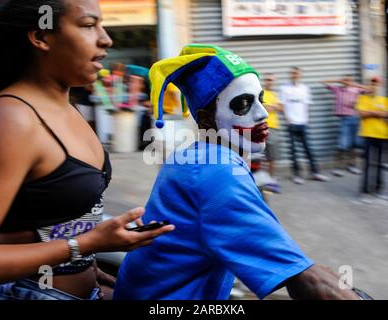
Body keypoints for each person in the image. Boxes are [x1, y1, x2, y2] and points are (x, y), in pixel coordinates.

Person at [114, 44, 370, 300]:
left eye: (261, 99)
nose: (263, 113)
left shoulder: (192, 155)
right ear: (205, 120)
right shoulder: (217, 173)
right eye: (243, 104)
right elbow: (307, 280)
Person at [0, 0, 174, 300]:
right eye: (88, 25)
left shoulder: (67, 106)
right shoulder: (12, 119)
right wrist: (88, 244)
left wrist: (92, 268)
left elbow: (55, 222)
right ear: (41, 36)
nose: (106, 38)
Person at [281, 67, 329, 185]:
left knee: (308, 149)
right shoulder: (284, 88)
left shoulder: (305, 89)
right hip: (291, 123)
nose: (295, 75)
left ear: (300, 75)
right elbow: (282, 105)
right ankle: (296, 175)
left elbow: (307, 105)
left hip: (303, 123)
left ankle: (315, 172)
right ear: (290, 75)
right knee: (294, 151)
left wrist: (307, 120)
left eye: (297, 73)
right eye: (292, 73)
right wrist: (288, 119)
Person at [322, 75, 370, 177]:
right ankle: (338, 168)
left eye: (349, 80)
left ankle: (352, 166)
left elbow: (369, 89)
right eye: (345, 80)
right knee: (342, 144)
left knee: (353, 144)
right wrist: (338, 80)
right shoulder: (338, 89)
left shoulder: (356, 89)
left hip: (355, 118)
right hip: (344, 119)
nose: (347, 81)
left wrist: (354, 84)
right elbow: (324, 81)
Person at [356, 77, 388, 202]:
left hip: (383, 135)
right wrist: (378, 112)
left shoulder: (385, 100)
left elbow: (387, 114)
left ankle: (379, 190)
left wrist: (371, 112)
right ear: (368, 85)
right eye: (371, 83)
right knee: (367, 164)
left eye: (376, 84)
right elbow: (362, 114)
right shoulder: (362, 98)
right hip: (368, 135)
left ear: (379, 86)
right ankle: (365, 192)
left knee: (380, 165)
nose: (373, 86)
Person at [261, 73, 283, 193]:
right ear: (265, 81)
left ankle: (270, 178)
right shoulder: (261, 93)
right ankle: (262, 179)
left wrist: (271, 107)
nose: (269, 82)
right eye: (268, 80)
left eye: (271, 80)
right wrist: (273, 106)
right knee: (262, 156)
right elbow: (263, 108)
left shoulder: (275, 94)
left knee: (272, 157)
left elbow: (281, 108)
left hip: (274, 127)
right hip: (263, 127)